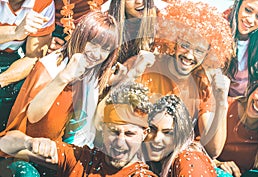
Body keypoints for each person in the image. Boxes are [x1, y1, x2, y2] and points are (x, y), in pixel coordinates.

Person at [123, 1, 233, 158]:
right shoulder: (145, 65)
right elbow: (113, 122)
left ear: (208, 54)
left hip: (176, 160)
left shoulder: (203, 85)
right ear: (173, 40)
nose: (189, 55)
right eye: (185, 45)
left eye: (199, 50)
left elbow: (213, 151)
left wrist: (221, 103)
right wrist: (131, 75)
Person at [0, 11, 119, 148]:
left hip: (71, 150)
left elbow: (94, 122)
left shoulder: (93, 71)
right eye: (93, 44)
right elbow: (32, 117)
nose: (97, 54)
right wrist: (63, 78)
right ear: (80, 37)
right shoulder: (50, 67)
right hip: (30, 149)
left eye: (105, 49)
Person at [0, 82, 158, 177]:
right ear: (102, 129)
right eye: (114, 131)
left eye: (130, 134)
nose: (120, 141)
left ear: (144, 134)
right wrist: (30, 142)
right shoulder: (82, 159)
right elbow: (5, 143)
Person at [0, 0, 55, 131]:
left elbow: (33, 57)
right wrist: (14, 32)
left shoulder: (43, 3)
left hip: (11, 57)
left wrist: (2, 80)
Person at [143, 94, 217, 177]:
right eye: (152, 129)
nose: (157, 139)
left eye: (167, 132)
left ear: (180, 136)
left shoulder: (189, 160)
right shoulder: (145, 158)